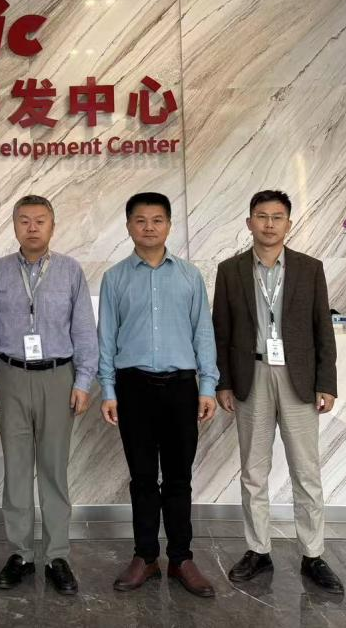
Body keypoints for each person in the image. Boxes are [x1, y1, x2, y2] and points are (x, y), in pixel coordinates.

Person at [212, 190, 344, 594]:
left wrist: (326, 383)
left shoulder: (309, 268)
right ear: (249, 222)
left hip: (298, 377)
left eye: (277, 217)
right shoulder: (230, 270)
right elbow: (221, 331)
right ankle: (258, 550)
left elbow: (323, 329)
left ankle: (313, 554)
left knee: (306, 471)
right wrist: (223, 381)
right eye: (262, 216)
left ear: (288, 223)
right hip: (250, 375)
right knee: (254, 471)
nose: (269, 224)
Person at [98, 192, 218, 598]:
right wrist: (108, 389)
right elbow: (105, 338)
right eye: (140, 220)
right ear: (128, 226)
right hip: (132, 388)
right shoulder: (115, 278)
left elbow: (203, 334)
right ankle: (146, 556)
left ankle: (181, 558)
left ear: (169, 225)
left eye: (157, 220)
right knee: (143, 478)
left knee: (180, 478)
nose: (149, 227)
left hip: (181, 388)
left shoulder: (189, 276)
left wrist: (207, 386)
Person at [0, 195, 97, 595]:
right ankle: (21, 554)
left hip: (58, 377)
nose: (32, 227)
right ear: (14, 226)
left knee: (53, 468)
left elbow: (84, 330)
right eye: (24, 220)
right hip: (10, 376)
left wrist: (83, 382)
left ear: (52, 226)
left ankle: (57, 554)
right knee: (15, 470)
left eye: (40, 220)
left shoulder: (70, 271)